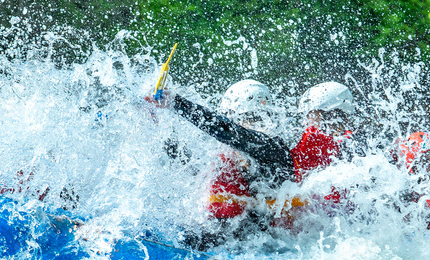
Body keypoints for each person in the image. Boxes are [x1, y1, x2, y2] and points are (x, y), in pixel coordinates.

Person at [148, 80, 363, 247]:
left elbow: (231, 133)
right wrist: (160, 130)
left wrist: (176, 103)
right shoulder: (240, 154)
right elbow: (192, 170)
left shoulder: (271, 149)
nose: (245, 125)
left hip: (252, 241)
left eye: (250, 119)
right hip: (227, 233)